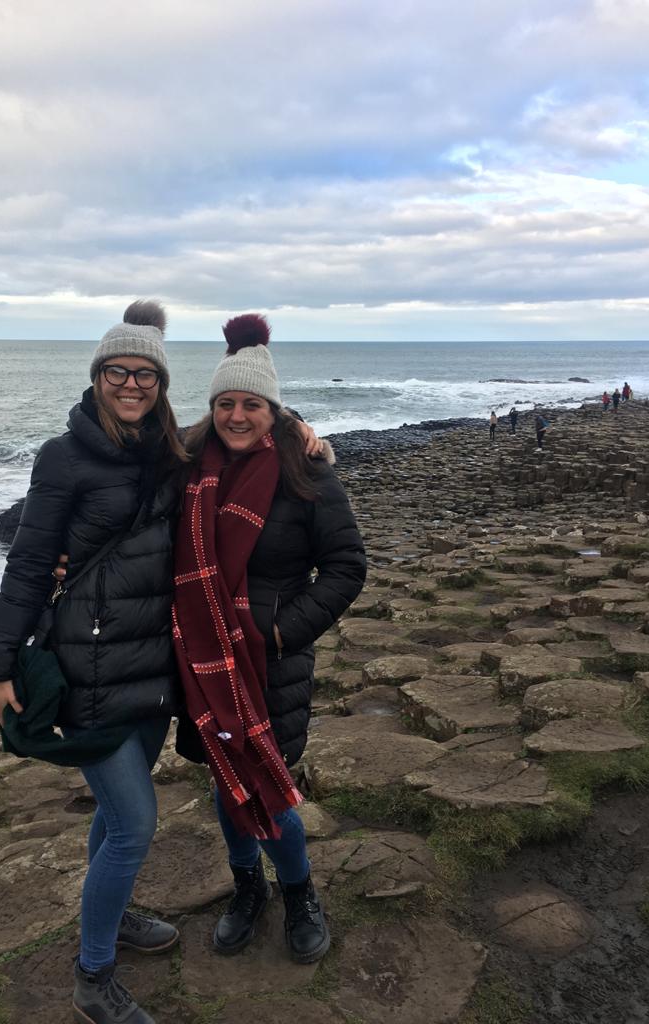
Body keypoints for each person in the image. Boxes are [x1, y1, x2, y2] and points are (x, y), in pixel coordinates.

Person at [0, 302, 190, 1024]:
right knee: (133, 823)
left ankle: (114, 910)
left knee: (115, 815)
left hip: (155, 665)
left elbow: (244, 430)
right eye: (118, 371)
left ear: (161, 383)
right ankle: (93, 976)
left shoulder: (170, 451)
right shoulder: (62, 456)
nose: (133, 383)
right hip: (87, 666)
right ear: (97, 377)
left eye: (146, 374)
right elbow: (32, 563)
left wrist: (302, 434)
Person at [173, 314, 366, 966]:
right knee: (225, 783)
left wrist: (281, 633)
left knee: (271, 785)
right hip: (202, 662)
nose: (236, 415)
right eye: (225, 402)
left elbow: (346, 567)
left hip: (271, 662)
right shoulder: (190, 466)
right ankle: (246, 888)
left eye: (250, 403)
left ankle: (299, 891)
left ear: (271, 408)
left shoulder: (305, 470)